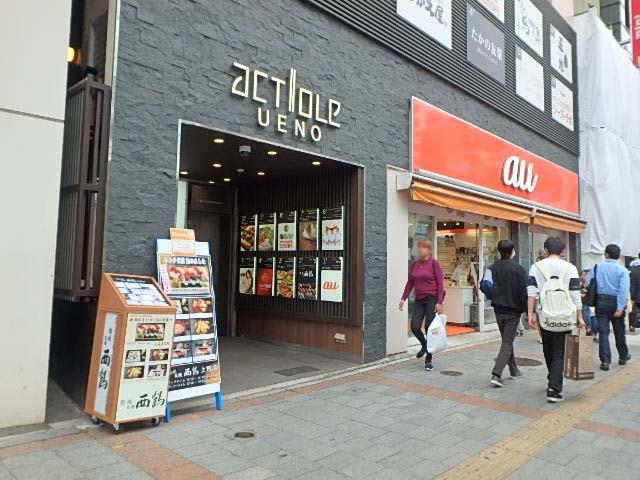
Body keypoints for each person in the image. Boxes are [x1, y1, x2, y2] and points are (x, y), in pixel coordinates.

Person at [527, 236, 584, 403]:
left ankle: (553, 379)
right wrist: (580, 316)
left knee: (548, 348)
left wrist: (530, 314)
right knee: (559, 350)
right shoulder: (570, 268)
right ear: (563, 252)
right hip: (565, 315)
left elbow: (531, 292)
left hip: (544, 314)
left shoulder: (536, 267)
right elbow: (575, 294)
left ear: (546, 250)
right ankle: (554, 388)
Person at [399, 239, 445, 371]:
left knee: (429, 329)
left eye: (424, 247)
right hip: (419, 300)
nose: (420, 250)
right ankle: (424, 345)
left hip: (432, 299)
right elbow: (410, 282)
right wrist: (403, 298)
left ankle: (428, 359)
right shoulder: (415, 264)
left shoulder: (434, 264)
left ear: (429, 250)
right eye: (419, 247)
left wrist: (439, 302)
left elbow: (440, 284)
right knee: (414, 327)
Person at [487, 240, 528, 388]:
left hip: (498, 310)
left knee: (506, 340)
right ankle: (496, 374)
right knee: (507, 342)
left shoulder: (492, 268)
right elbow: (524, 292)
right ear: (513, 252)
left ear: (499, 252)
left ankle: (514, 369)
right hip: (513, 311)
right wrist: (528, 311)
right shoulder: (519, 269)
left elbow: (484, 286)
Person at [587, 244, 631, 370]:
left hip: (600, 302)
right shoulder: (622, 270)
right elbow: (623, 290)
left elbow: (588, 282)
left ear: (606, 254)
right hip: (616, 302)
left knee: (603, 332)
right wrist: (620, 307)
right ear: (618, 256)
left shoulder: (596, 267)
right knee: (619, 331)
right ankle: (623, 356)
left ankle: (605, 361)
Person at [580, 269, 599, 341]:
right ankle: (590, 333)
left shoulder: (592, 285)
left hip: (590, 305)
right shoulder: (581, 285)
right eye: (581, 275)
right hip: (582, 304)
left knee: (592, 320)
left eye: (584, 275)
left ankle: (593, 334)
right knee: (586, 319)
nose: (582, 276)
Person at [629, 255, 640, 332]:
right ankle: (633, 324)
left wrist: (632, 297)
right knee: (635, 311)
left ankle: (632, 325)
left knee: (635, 310)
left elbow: (632, 285)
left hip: (637, 296)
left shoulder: (634, 270)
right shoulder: (634, 269)